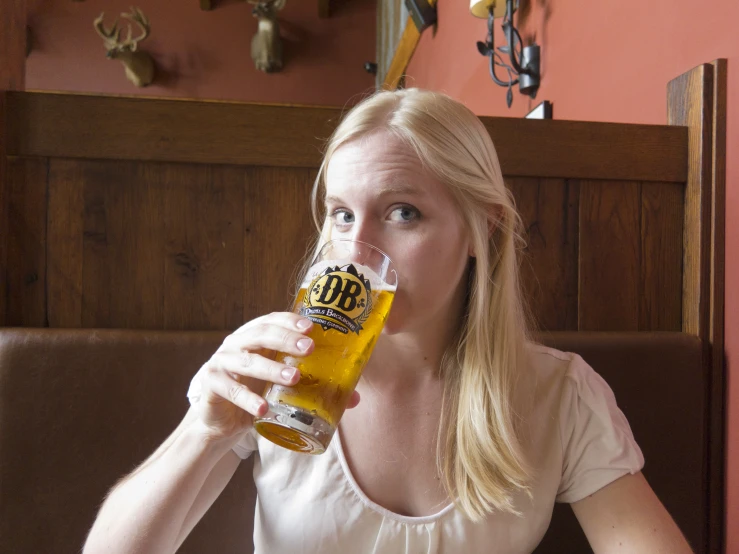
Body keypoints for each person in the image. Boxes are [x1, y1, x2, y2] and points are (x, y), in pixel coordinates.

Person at [83, 88, 693, 553]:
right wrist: (203, 431)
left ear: (486, 230)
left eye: (402, 212)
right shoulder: (274, 373)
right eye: (341, 215)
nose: (356, 250)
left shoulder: (559, 394)